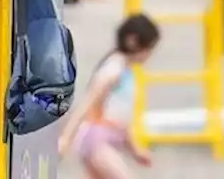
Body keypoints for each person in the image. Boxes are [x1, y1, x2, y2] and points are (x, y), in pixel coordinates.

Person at [58, 13, 161, 177]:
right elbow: (88, 103)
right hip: (97, 140)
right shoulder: (114, 69)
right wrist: (65, 138)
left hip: (107, 139)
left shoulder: (126, 71)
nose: (149, 55)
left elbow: (121, 117)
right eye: (149, 48)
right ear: (133, 41)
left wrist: (135, 149)